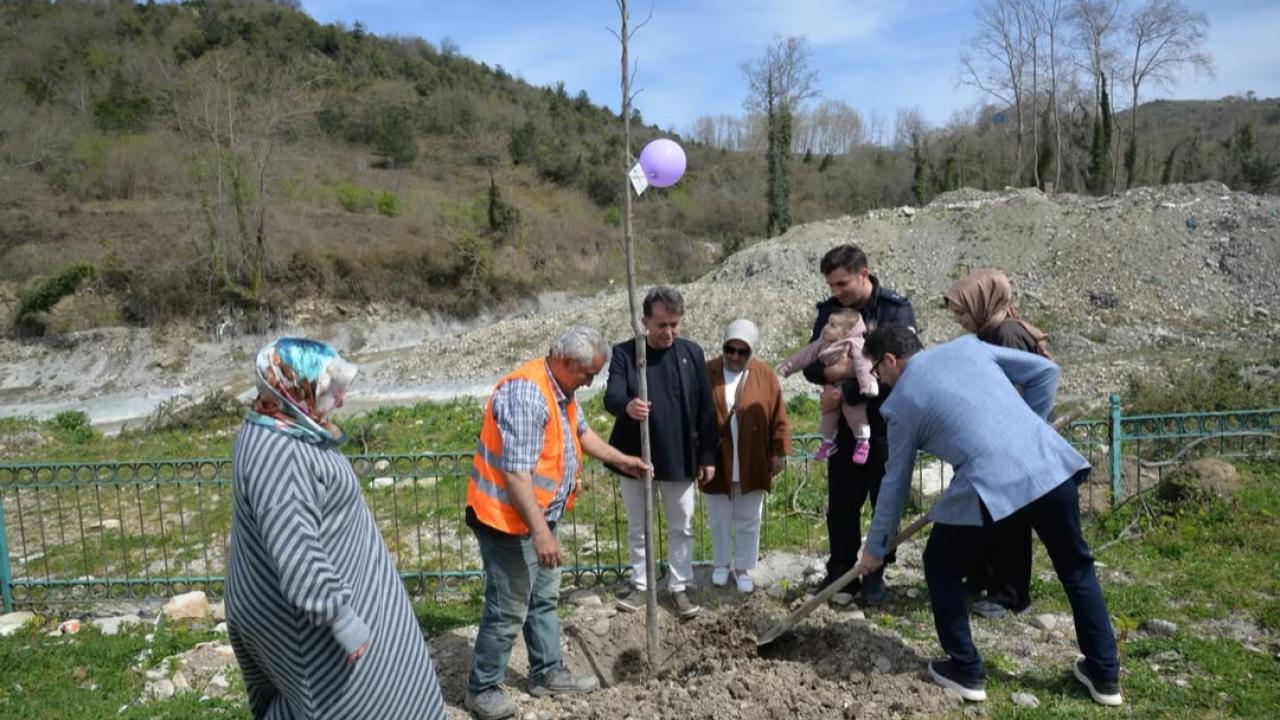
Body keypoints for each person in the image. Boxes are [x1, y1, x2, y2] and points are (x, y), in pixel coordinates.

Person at [853, 325, 1123, 707]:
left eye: (877, 371)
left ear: (891, 360)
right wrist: (1029, 427)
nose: (879, 380)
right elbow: (1046, 372)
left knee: (942, 565)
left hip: (991, 486)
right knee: (1077, 569)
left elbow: (894, 483)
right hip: (1048, 465)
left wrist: (876, 548)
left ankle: (965, 669)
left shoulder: (900, 405)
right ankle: (1105, 675)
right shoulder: (968, 349)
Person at [225, 337, 446, 720]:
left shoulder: (280, 424)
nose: (340, 400)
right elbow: (296, 549)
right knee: (357, 703)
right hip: (308, 622)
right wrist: (339, 618)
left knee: (385, 691)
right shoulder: (283, 454)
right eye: (329, 390)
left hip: (307, 605)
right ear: (293, 387)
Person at [466, 325, 648, 720]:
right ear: (565, 362)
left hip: (538, 515)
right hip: (506, 520)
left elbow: (581, 433)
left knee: (542, 598)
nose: (591, 381)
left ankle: (546, 671)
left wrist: (622, 459)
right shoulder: (528, 394)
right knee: (508, 606)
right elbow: (516, 475)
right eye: (588, 373)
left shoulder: (561, 391)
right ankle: (482, 687)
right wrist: (542, 533)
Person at [803, 244, 916, 605]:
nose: (837, 293)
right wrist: (829, 376)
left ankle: (875, 575)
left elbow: (905, 366)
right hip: (846, 431)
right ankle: (840, 572)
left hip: (884, 423)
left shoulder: (895, 310)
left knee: (884, 498)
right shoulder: (830, 313)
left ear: (863, 274)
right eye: (832, 286)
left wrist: (847, 384)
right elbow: (811, 363)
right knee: (842, 501)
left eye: (843, 284)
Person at [944, 268, 1053, 620]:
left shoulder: (1007, 335)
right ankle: (980, 580)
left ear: (982, 302)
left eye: (962, 312)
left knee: (1009, 519)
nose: (960, 321)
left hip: (1012, 444)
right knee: (985, 514)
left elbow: (1016, 391)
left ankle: (1011, 595)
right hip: (995, 442)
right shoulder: (990, 333)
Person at [605, 286, 718, 619]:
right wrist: (628, 405)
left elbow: (705, 410)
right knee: (639, 524)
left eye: (674, 324)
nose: (669, 332)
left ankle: (679, 584)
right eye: (661, 325)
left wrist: (708, 455)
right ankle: (642, 583)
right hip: (634, 456)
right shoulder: (626, 353)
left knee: (681, 524)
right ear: (644, 322)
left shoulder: (691, 353)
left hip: (681, 454)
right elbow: (611, 395)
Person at [703, 319, 791, 593]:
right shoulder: (708, 372)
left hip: (752, 455)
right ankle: (720, 563)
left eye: (743, 351)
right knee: (718, 515)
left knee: (749, 516)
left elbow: (778, 415)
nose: (735, 356)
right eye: (730, 349)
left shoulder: (764, 375)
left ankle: (743, 567)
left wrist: (779, 451)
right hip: (716, 458)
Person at [777, 308, 878, 463]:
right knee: (828, 415)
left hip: (852, 390)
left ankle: (863, 441)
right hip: (832, 388)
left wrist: (868, 385)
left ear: (845, 333)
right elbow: (804, 356)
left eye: (832, 325)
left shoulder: (855, 343)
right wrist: (785, 368)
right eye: (828, 323)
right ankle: (828, 442)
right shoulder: (822, 343)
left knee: (854, 414)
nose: (826, 328)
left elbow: (863, 365)